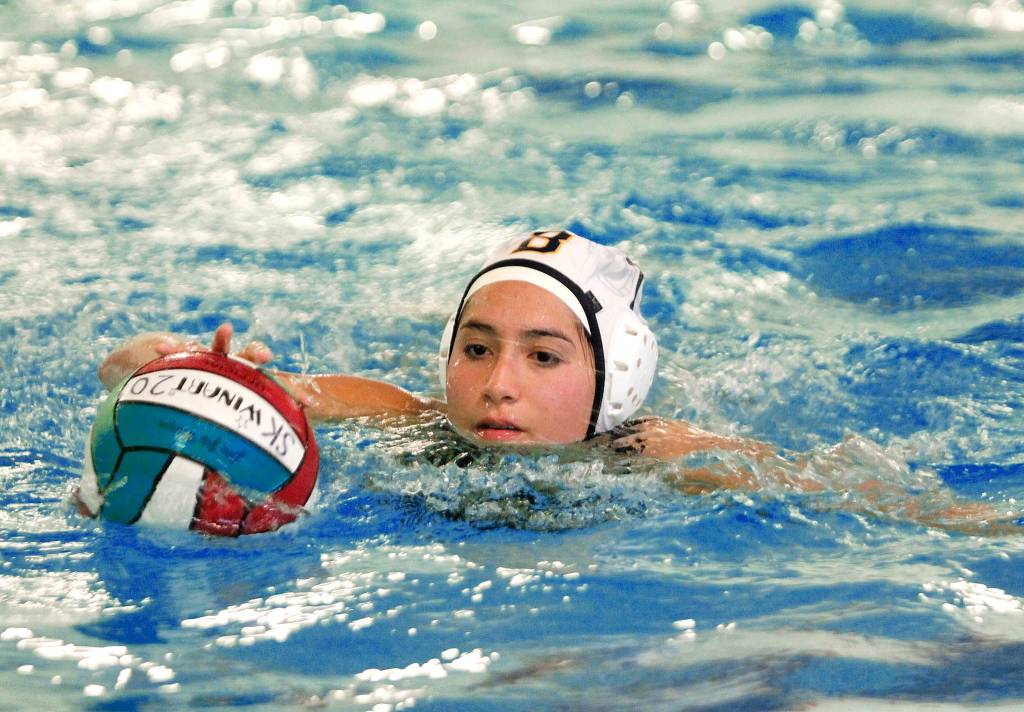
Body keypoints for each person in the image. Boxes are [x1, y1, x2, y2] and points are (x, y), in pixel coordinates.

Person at [97, 230, 1019, 533]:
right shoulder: (408, 422)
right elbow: (163, 375)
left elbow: (867, 494)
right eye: (477, 348)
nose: (499, 385)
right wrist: (174, 359)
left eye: (545, 357)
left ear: (613, 383)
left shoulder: (657, 455)